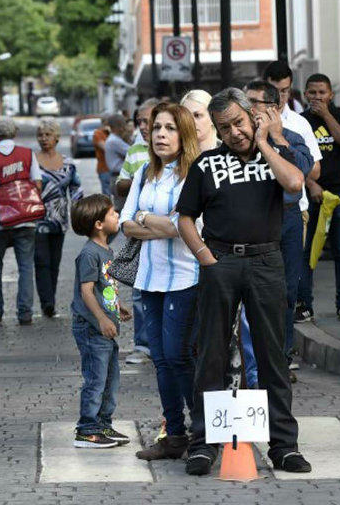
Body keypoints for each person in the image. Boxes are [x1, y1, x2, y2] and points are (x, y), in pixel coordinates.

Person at [176, 88, 311, 476]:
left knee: (272, 355)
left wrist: (266, 141)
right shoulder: (206, 164)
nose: (233, 132)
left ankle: (284, 445)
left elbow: (295, 184)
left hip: (266, 260)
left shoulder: (276, 156)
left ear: (252, 116)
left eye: (238, 122)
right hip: (220, 261)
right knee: (211, 354)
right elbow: (185, 217)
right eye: (224, 127)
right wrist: (205, 257)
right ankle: (203, 444)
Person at [118, 103, 200, 460]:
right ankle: (174, 435)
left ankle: (202, 432)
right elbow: (124, 224)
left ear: (184, 134)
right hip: (148, 279)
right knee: (161, 359)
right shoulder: (143, 174)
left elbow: (183, 227)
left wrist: (146, 218)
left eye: (170, 128)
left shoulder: (194, 174)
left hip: (184, 278)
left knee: (178, 356)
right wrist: (157, 222)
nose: (161, 135)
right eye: (156, 129)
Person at [245, 79, 320, 381]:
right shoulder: (239, 141)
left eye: (254, 102)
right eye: (245, 100)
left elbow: (302, 172)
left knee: (286, 290)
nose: (248, 108)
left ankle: (281, 356)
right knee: (251, 291)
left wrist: (275, 138)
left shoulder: (292, 135)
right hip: (253, 220)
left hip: (287, 218)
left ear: (273, 109)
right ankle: (250, 359)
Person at [70, 194, 131, 448]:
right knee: (96, 378)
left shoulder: (106, 250)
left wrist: (117, 307)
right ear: (98, 224)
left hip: (104, 326)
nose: (117, 216)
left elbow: (104, 288)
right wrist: (102, 319)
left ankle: (103, 424)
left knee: (110, 378)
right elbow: (86, 291)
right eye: (112, 213)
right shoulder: (89, 254)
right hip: (92, 327)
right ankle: (87, 429)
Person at [298, 73, 340, 322]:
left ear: (331, 94)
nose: (317, 97)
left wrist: (326, 116)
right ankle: (304, 305)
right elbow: (294, 159)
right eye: (312, 92)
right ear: (305, 94)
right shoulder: (300, 122)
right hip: (311, 194)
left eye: (322, 92)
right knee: (308, 251)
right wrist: (311, 184)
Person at [0, 117, 42, 325]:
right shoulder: (28, 154)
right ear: (14, 133)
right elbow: (38, 184)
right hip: (26, 218)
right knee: (25, 267)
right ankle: (25, 313)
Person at [113, 98, 157, 365]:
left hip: (170, 230)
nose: (142, 126)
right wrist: (140, 180)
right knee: (140, 289)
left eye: (147, 121)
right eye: (139, 121)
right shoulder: (136, 150)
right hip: (140, 231)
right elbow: (119, 184)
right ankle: (143, 345)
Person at [34, 119, 80, 318]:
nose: (44, 139)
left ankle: (50, 299)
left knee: (55, 261)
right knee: (41, 260)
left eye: (48, 135)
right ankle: (47, 302)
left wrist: (81, 214)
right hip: (36, 219)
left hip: (60, 221)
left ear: (57, 138)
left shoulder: (68, 164)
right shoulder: (32, 161)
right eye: (41, 135)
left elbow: (77, 191)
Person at [93, 116, 111, 195]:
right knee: (107, 194)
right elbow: (105, 148)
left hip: (116, 169)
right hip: (104, 169)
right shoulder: (98, 133)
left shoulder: (114, 133)